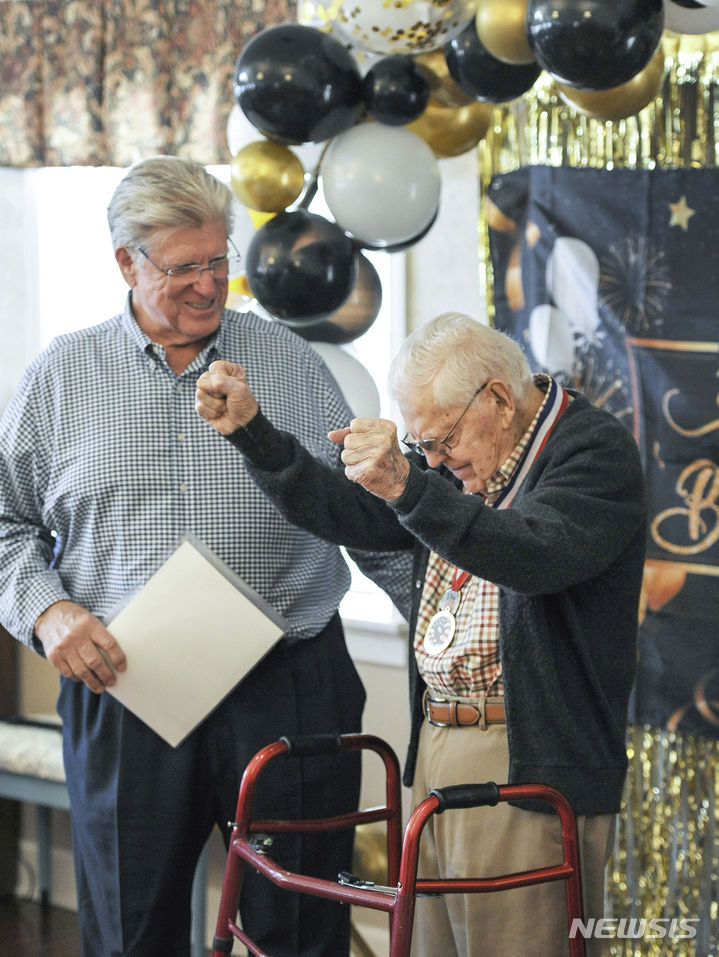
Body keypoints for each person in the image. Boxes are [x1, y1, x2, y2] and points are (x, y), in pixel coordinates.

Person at [0, 155, 410, 957]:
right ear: (127, 262)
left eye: (218, 261)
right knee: (129, 929)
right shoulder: (59, 375)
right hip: (126, 685)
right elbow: (5, 522)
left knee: (296, 933)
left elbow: (361, 516)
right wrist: (49, 612)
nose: (208, 284)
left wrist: (443, 631)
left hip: (290, 685)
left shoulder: (292, 361)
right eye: (184, 266)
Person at [195, 312, 648, 957]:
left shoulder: (592, 451)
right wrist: (254, 434)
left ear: (495, 397)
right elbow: (350, 510)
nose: (433, 460)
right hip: (436, 743)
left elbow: (532, 553)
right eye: (421, 446)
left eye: (440, 442)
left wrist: (409, 484)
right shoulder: (457, 459)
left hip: (528, 756)